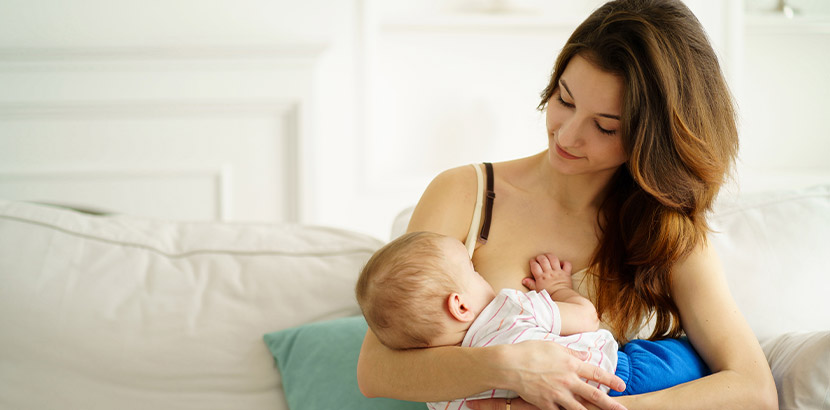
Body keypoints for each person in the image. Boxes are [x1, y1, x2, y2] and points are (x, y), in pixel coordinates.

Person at [356, 0, 778, 409]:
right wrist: (510, 367)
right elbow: (376, 370)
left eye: (605, 126)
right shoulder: (465, 192)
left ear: (653, 139)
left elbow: (753, 390)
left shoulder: (666, 230)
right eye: (565, 99)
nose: (568, 135)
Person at [356, 231, 620, 409]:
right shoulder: (510, 310)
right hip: (612, 376)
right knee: (663, 354)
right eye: (472, 269)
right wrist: (559, 288)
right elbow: (588, 318)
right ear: (460, 305)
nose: (481, 273)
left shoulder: (441, 397)